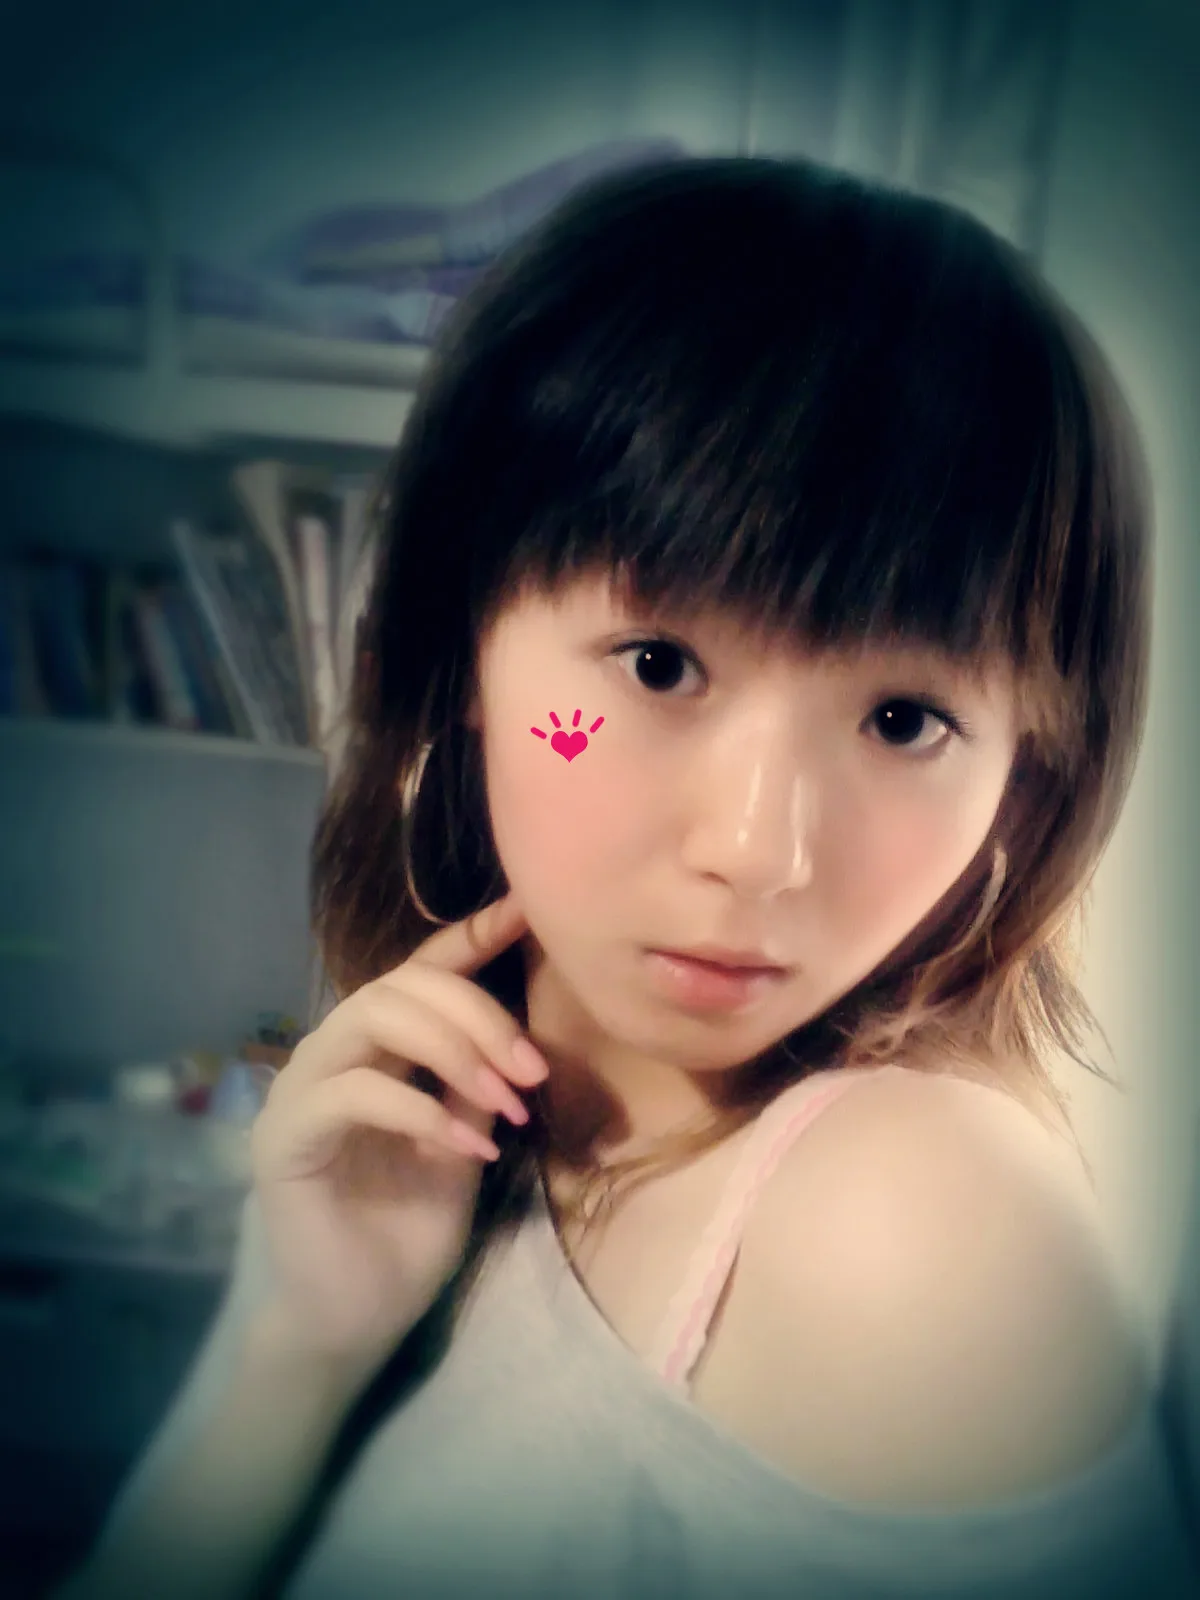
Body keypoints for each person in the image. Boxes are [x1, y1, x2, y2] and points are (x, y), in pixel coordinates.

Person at [55, 155, 1198, 1599]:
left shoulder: (911, 1230)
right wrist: (299, 1337)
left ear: (1026, 773)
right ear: (465, 653)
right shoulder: (438, 1118)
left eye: (908, 720)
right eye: (658, 666)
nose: (760, 849)